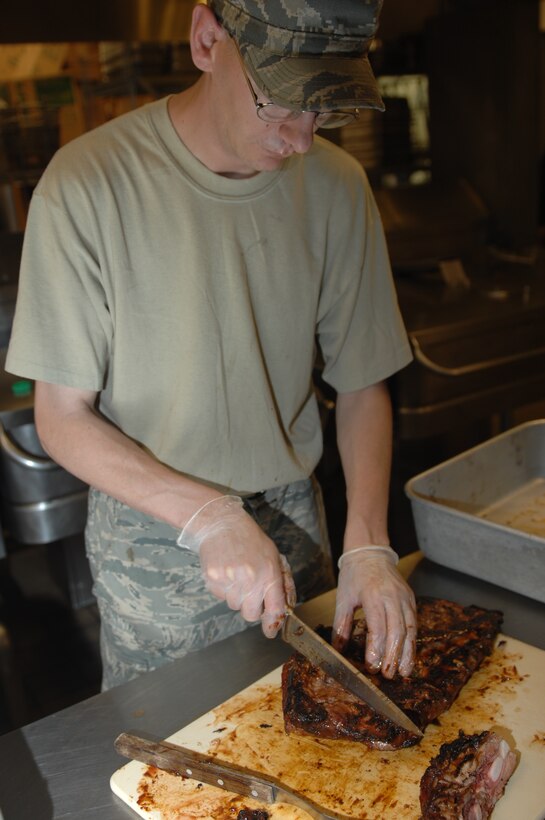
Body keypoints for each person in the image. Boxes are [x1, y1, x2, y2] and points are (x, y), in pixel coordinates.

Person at [6, 0, 417, 690]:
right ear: (205, 40)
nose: (300, 139)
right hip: (152, 533)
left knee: (311, 746)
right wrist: (206, 514)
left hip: (294, 516)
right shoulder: (87, 184)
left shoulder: (337, 186)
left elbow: (361, 383)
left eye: (323, 109)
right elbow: (62, 417)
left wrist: (368, 541)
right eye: (279, 103)